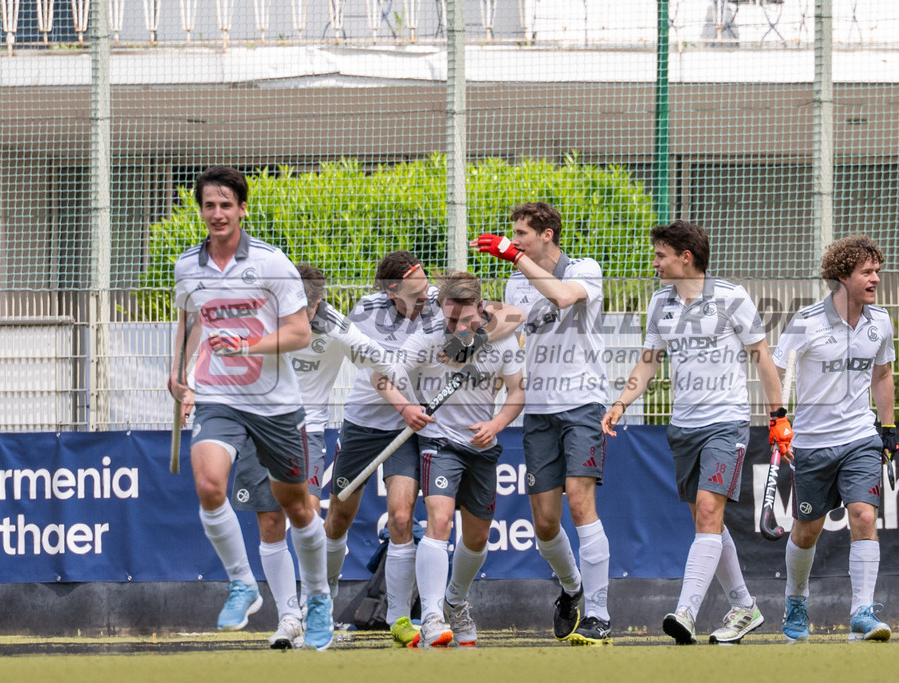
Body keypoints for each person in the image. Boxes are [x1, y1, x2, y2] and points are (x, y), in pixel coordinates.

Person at [166, 166, 334, 651]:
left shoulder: (271, 262)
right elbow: (189, 321)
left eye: (225, 205)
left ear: (241, 209)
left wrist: (248, 343)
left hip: (276, 406)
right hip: (220, 397)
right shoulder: (186, 267)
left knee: (297, 508)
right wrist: (180, 374)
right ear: (200, 211)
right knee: (207, 483)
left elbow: (300, 333)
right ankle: (242, 583)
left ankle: (317, 596)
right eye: (208, 205)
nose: (216, 214)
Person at [600, 220, 787, 645]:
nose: (655, 262)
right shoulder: (660, 303)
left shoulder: (731, 297)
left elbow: (761, 355)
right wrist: (620, 402)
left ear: (686, 257)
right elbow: (649, 361)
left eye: (661, 255)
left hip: (726, 422)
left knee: (707, 512)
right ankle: (743, 607)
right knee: (708, 523)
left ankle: (686, 612)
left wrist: (778, 415)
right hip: (682, 427)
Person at [325, 250, 522, 647]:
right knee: (339, 516)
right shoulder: (369, 309)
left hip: (411, 430)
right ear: (394, 289)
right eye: (417, 280)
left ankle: (401, 619)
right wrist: (405, 405)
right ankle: (320, 601)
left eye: (426, 276)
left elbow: (513, 315)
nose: (427, 283)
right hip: (368, 422)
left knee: (401, 519)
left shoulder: (438, 299)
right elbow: (380, 371)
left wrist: (471, 339)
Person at [227, 263, 405, 649]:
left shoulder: (337, 328)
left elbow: (383, 360)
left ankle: (314, 603)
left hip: (305, 431)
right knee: (271, 524)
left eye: (302, 309)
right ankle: (288, 618)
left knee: (305, 513)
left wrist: (407, 395)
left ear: (318, 303)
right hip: (259, 429)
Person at [471, 201, 613, 645]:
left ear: (546, 234)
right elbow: (509, 328)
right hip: (539, 409)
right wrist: (464, 341)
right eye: (513, 235)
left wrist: (515, 257)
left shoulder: (585, 269)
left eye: (522, 234)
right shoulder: (516, 282)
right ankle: (572, 590)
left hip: (584, 403)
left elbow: (563, 297)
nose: (514, 240)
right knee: (545, 523)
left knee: (579, 500)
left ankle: (600, 613)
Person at [773, 234, 897, 643]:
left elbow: (881, 374)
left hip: (860, 436)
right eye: (867, 272)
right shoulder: (805, 321)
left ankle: (862, 611)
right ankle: (796, 600)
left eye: (877, 270)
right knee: (807, 529)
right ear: (843, 276)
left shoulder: (881, 322)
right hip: (811, 442)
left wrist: (888, 426)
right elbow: (775, 375)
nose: (875, 278)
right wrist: (778, 420)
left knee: (864, 515)